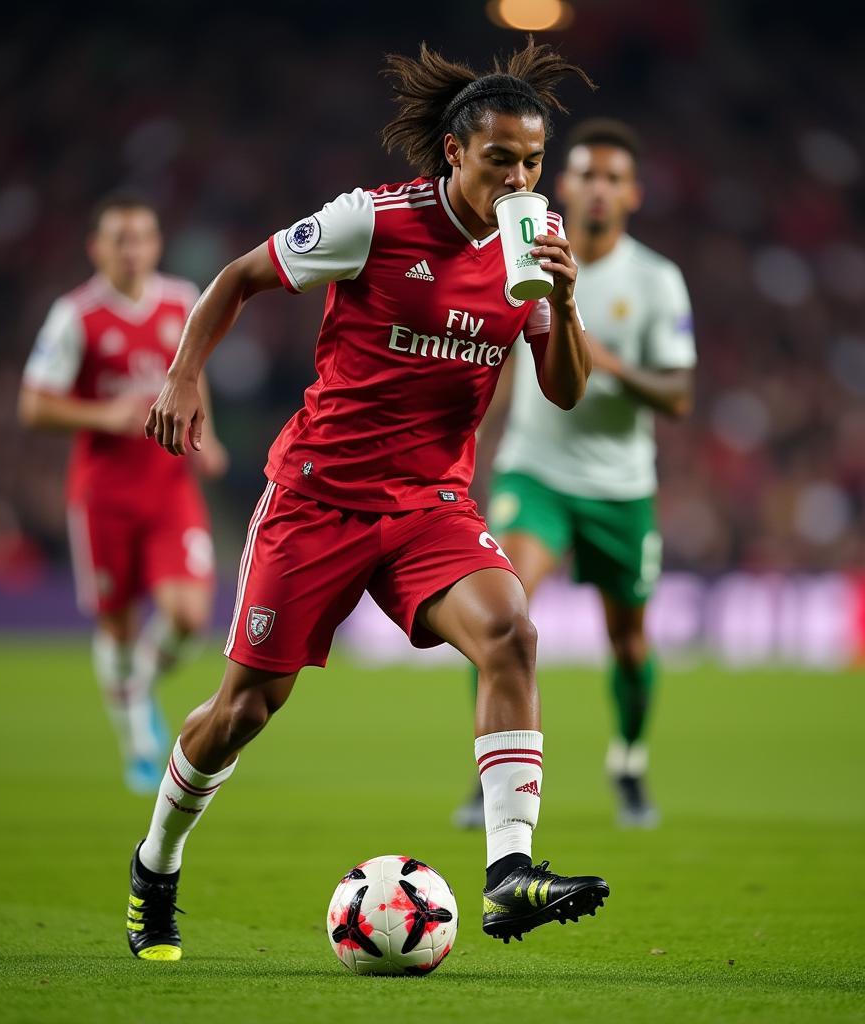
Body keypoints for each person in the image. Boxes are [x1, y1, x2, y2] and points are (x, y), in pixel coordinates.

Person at [124, 40, 608, 962]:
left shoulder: (535, 249)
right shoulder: (372, 223)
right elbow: (239, 278)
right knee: (243, 712)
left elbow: (566, 389)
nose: (518, 176)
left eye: (533, 161)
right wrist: (186, 374)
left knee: (511, 631)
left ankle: (511, 874)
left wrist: (566, 302)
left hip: (429, 505)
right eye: (500, 157)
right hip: (319, 497)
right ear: (456, 152)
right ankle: (157, 862)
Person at [454, 118, 696, 831]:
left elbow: (679, 396)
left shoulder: (656, 281)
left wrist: (607, 363)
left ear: (633, 195)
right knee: (501, 615)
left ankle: (628, 761)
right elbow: (491, 361)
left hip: (622, 486)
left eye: (612, 179)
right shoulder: (519, 257)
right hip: (537, 474)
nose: (597, 189)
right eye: (586, 174)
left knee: (628, 641)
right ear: (563, 185)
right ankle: (492, 780)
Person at [19, 196, 227, 794]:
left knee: (189, 617)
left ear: (157, 245)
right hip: (103, 494)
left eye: (142, 238)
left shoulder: (182, 300)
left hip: (168, 487)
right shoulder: (75, 316)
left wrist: (202, 433)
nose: (132, 250)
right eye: (119, 239)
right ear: (97, 248)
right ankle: (137, 740)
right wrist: (106, 413)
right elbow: (33, 405)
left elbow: (193, 371)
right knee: (116, 623)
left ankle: (135, 686)